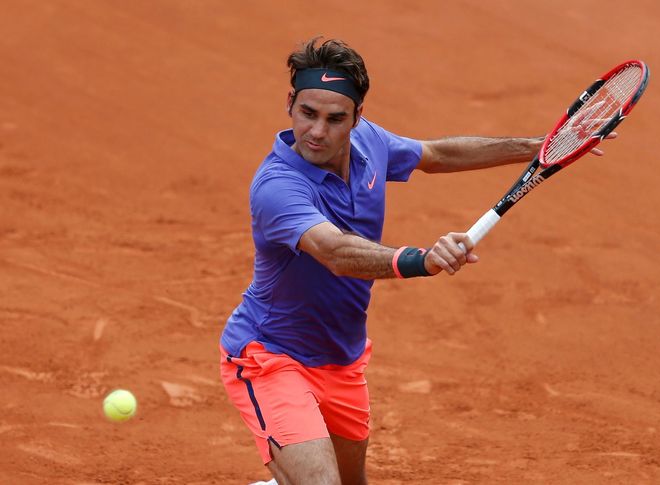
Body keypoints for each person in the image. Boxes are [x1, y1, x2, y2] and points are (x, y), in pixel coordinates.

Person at [219, 37, 611, 485]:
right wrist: (420, 260)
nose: (317, 132)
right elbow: (336, 252)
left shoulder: (369, 143)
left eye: (335, 119)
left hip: (340, 359)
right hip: (270, 356)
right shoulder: (278, 186)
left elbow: (437, 154)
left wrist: (541, 146)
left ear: (357, 118)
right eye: (307, 113)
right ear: (290, 103)